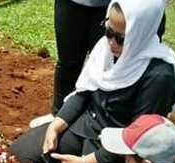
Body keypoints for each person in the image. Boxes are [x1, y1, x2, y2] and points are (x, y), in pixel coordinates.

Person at [11, 0, 175, 163]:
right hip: (87, 128)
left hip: (120, 153)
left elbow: (137, 139)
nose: (110, 42)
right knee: (21, 152)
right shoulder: (106, 49)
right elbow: (84, 93)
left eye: (120, 38)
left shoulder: (158, 76)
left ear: (140, 32)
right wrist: (57, 126)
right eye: (108, 31)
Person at [30, 0, 167, 128]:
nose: (112, 40)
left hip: (115, 6)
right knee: (69, 61)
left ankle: (112, 127)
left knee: (115, 66)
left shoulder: (161, 74)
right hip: (72, 4)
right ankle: (59, 114)